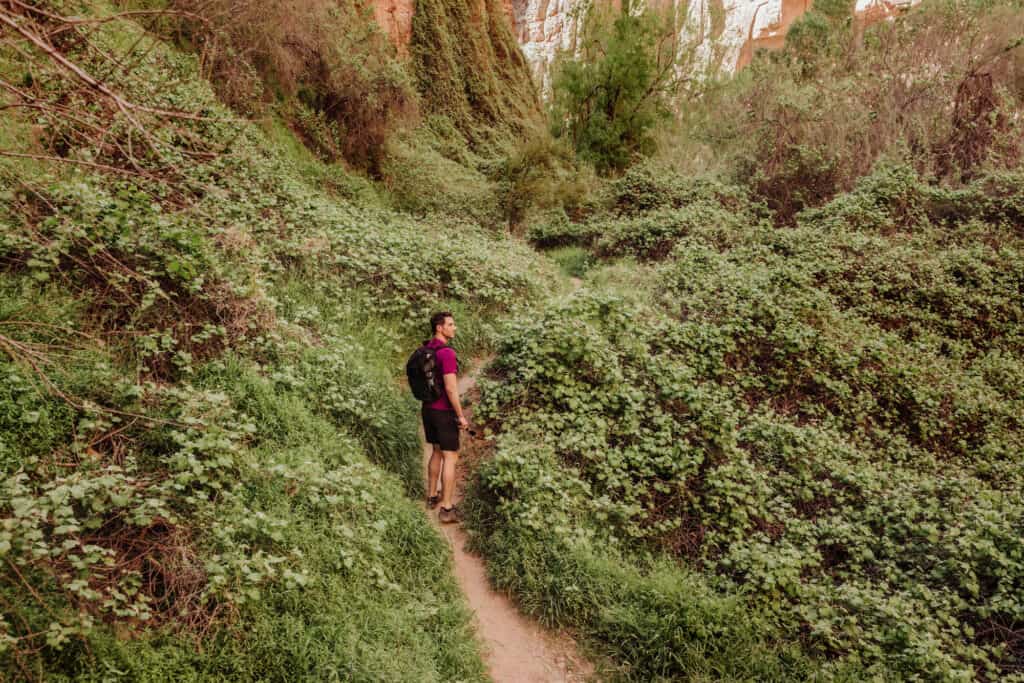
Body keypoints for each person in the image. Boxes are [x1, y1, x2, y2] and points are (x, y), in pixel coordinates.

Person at [422, 311, 469, 523]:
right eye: (450, 324)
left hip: (428, 409)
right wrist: (460, 416)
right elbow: (451, 389)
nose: (454, 327)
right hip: (443, 411)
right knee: (451, 456)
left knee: (437, 452)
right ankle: (447, 509)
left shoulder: (426, 348)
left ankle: (432, 495)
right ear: (440, 328)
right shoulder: (447, 353)